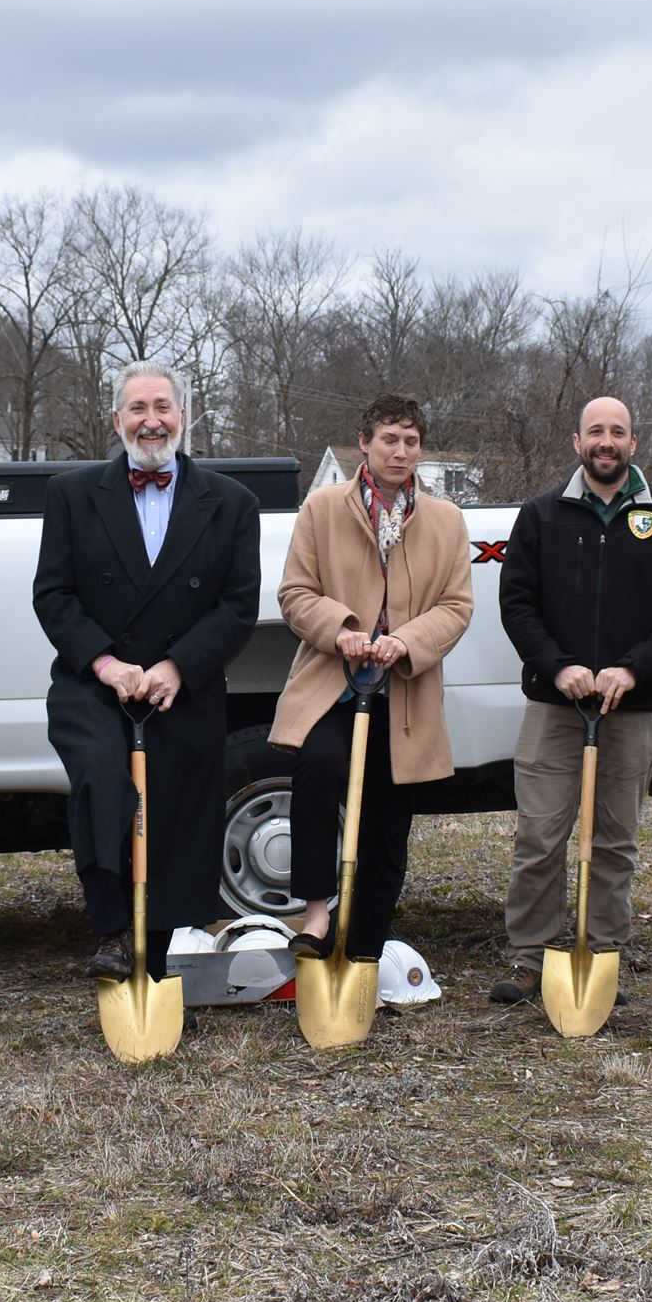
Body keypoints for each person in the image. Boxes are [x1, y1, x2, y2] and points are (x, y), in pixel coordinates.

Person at [33, 361, 262, 979]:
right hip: (95, 686)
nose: (151, 420)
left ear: (183, 417)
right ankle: (112, 928)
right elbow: (53, 596)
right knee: (106, 780)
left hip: (181, 688)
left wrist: (177, 667)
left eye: (163, 407)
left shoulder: (232, 504)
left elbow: (238, 605)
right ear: (117, 420)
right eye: (138, 408)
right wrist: (106, 663)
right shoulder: (72, 495)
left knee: (175, 808)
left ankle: (154, 955)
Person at [492, 395, 652, 1001]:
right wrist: (558, 667)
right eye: (596, 432)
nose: (606, 441)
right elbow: (518, 604)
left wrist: (634, 670)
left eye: (618, 431)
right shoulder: (541, 517)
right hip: (555, 706)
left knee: (615, 839)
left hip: (631, 708)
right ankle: (530, 958)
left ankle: (603, 952)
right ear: (577, 443)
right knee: (540, 835)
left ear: (633, 443)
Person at [271, 394, 474, 963]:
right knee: (318, 767)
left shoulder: (445, 520)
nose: (401, 452)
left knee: (388, 819)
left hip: (403, 693)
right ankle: (314, 914)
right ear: (364, 443)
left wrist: (404, 642)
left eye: (411, 442)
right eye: (390, 439)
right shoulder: (323, 509)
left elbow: (457, 606)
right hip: (333, 684)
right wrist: (342, 630)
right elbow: (295, 593)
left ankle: (364, 948)